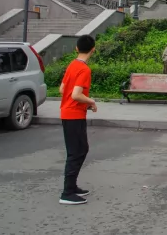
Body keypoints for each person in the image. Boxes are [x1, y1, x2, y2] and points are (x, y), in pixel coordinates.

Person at [59, 34, 97, 205]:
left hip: (68, 113)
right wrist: (91, 101)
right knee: (77, 152)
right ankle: (67, 193)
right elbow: (76, 94)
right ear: (93, 49)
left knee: (79, 150)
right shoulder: (84, 69)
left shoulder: (72, 65)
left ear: (76, 48)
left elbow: (62, 89)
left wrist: (84, 103)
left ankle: (72, 187)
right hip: (74, 115)